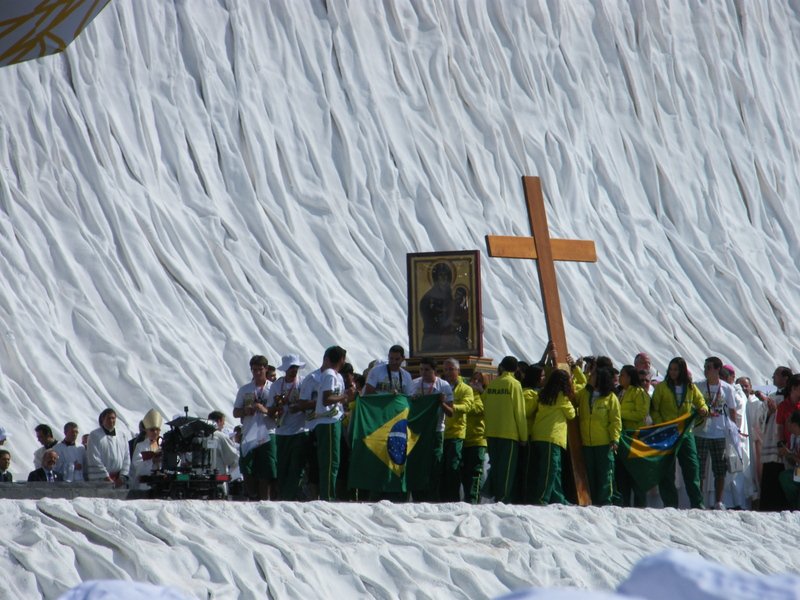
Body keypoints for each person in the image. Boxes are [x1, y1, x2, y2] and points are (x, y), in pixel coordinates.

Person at [650, 357, 708, 509]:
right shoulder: (662, 387)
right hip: (667, 433)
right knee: (667, 470)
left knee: (691, 467)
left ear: (682, 370)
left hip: (685, 432)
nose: (673, 372)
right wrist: (662, 424)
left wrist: (703, 409)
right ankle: (670, 503)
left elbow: (701, 401)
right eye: (671, 369)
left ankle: (697, 503)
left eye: (676, 369)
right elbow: (654, 409)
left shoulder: (690, 387)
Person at [693, 356, 738, 510]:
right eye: (705, 367)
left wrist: (734, 432)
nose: (706, 370)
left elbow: (732, 411)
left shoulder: (727, 388)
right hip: (700, 432)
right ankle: (698, 500)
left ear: (718, 369)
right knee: (699, 468)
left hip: (719, 433)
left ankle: (719, 501)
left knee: (720, 468)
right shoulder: (698, 386)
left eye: (709, 367)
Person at [574, 367, 621, 506]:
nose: (590, 376)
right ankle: (592, 501)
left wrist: (615, 439)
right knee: (590, 473)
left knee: (605, 474)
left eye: (593, 374)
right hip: (587, 443)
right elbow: (573, 396)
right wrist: (574, 370)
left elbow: (615, 420)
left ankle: (605, 501)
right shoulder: (584, 394)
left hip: (603, 442)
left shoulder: (611, 397)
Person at [310, 345, 352, 501]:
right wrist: (344, 396)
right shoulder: (329, 375)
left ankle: (330, 493)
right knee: (329, 461)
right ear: (341, 359)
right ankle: (327, 495)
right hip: (327, 421)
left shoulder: (336, 375)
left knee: (334, 461)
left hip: (334, 420)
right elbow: (326, 399)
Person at [409, 357, 454, 501]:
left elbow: (451, 412)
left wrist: (441, 403)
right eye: (421, 369)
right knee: (418, 464)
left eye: (427, 370)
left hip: (436, 431)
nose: (423, 372)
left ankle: (433, 497)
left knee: (435, 464)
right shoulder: (414, 384)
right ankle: (417, 497)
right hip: (418, 431)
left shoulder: (444, 386)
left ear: (434, 370)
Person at [528, 369, 576, 504]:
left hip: (539, 434)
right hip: (552, 437)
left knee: (553, 468)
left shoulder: (544, 394)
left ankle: (558, 498)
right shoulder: (561, 397)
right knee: (550, 470)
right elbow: (571, 414)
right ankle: (542, 498)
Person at [482, 356, 526, 503]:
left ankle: (493, 496)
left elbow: (485, 404)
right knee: (506, 470)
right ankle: (503, 499)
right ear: (516, 369)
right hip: (509, 434)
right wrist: (523, 437)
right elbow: (519, 412)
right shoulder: (514, 384)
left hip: (492, 432)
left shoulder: (493, 384)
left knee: (495, 466)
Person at [232, 355, 274, 500]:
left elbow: (279, 411)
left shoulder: (273, 388)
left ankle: (264, 498)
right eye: (254, 370)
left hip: (268, 431)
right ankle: (252, 495)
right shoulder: (245, 390)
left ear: (266, 369)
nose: (257, 373)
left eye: (260, 370)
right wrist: (245, 411)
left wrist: (265, 410)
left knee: (266, 468)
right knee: (246, 465)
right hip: (249, 431)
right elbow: (235, 411)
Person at [269, 354, 309, 501]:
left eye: (296, 368)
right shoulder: (276, 385)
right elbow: (269, 409)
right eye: (291, 368)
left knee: (296, 466)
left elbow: (308, 405)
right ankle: (282, 495)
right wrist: (278, 406)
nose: (294, 371)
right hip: (281, 431)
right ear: (286, 369)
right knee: (282, 467)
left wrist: (298, 406)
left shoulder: (302, 383)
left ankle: (289, 496)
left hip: (299, 431)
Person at [757, 366, 793, 511]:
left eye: (775, 376)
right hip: (770, 438)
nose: (773, 378)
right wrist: (769, 412)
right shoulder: (771, 396)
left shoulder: (790, 397)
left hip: (783, 438)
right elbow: (760, 418)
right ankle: (767, 504)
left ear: (785, 378)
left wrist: (776, 411)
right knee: (770, 473)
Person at [616, 365, 650, 507]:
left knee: (636, 474)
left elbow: (640, 414)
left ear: (629, 377)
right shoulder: (619, 392)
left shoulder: (639, 393)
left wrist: (619, 414)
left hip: (635, 437)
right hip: (621, 437)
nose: (619, 378)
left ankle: (639, 504)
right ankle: (623, 503)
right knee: (622, 474)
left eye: (622, 375)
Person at [441, 358, 474, 502]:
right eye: (446, 369)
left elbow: (468, 407)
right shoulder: (440, 385)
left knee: (453, 467)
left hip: (456, 433)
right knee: (441, 468)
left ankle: (453, 498)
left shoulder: (466, 389)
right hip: (441, 432)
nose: (448, 372)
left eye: (451, 369)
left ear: (458, 371)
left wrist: (451, 407)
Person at [419, 262, 464, 352]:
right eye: (441, 275)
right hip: (433, 339)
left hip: (448, 338)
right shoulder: (428, 298)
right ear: (436, 278)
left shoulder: (449, 295)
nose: (443, 278)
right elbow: (428, 319)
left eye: (446, 275)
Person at [86, 408, 130, 487]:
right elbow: (94, 458)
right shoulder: (95, 435)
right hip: (101, 479)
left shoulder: (122, 435)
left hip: (119, 480)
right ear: (103, 419)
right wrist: (105, 476)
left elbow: (127, 456)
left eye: (113, 418)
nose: (111, 420)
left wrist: (122, 476)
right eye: (108, 418)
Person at [462, 372, 487, 504]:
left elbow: (478, 409)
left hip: (478, 438)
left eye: (479, 380)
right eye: (473, 379)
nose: (475, 382)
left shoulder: (484, 396)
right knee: (464, 474)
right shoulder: (466, 393)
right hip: (465, 438)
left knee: (475, 473)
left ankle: (474, 500)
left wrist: (463, 405)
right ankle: (467, 499)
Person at [131, 409, 164, 491]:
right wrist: (152, 461)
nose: (155, 432)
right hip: (145, 485)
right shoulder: (140, 446)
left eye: (157, 429)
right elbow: (137, 465)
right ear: (146, 430)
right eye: (152, 430)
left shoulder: (164, 446)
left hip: (162, 484)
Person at [777, 410, 800, 509]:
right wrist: (786, 454)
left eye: (789, 421)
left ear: (795, 424)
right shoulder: (793, 437)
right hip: (798, 470)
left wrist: (790, 455)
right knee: (785, 477)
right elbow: (794, 461)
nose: (787, 424)